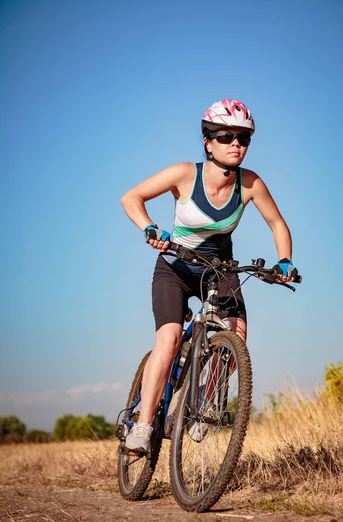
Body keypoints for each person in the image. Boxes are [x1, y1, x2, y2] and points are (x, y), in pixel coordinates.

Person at [120, 99, 298, 455]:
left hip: (220, 270)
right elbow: (132, 198)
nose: (236, 144)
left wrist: (284, 262)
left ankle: (201, 407)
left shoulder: (250, 184)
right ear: (208, 141)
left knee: (237, 336)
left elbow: (277, 223)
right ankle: (142, 424)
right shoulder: (185, 175)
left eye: (243, 138)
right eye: (226, 136)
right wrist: (149, 227)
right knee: (169, 340)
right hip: (176, 267)